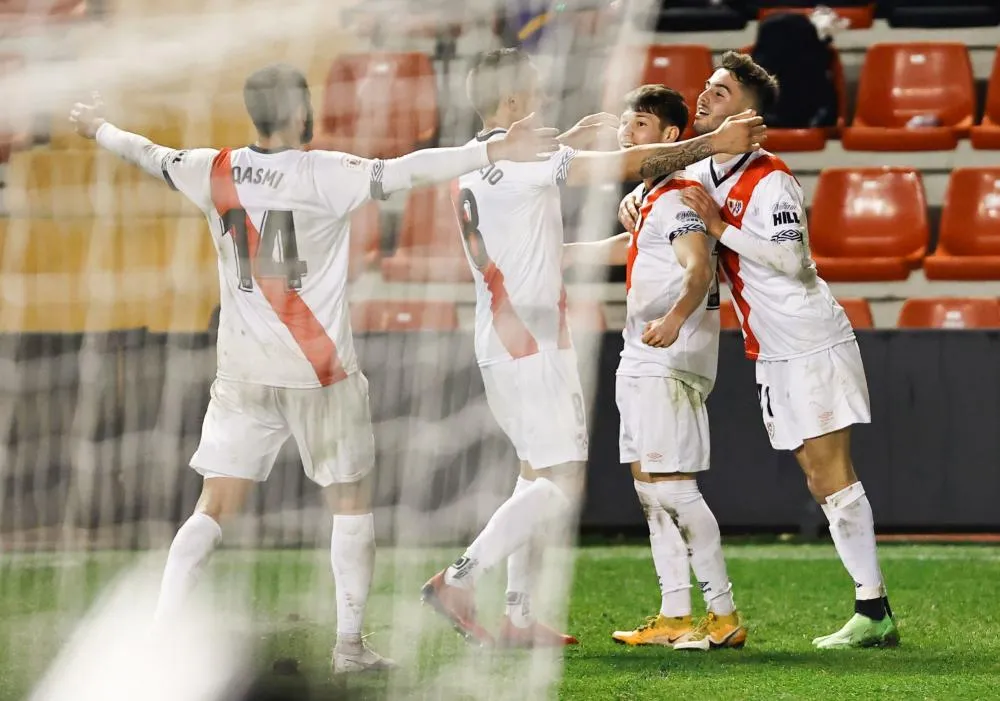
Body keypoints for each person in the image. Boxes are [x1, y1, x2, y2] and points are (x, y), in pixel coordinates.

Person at [68, 63, 563, 674]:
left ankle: (160, 631)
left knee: (212, 506)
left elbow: (147, 152)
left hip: (242, 372)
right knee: (351, 505)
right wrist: (486, 147)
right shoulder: (326, 172)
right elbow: (409, 171)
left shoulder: (209, 168)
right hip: (321, 372)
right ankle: (349, 648)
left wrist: (97, 127)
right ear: (301, 111)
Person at [420, 48, 767, 647]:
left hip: (497, 335)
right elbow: (631, 160)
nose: (541, 100)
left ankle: (519, 616)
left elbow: (537, 154)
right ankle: (458, 578)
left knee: (534, 475)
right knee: (561, 482)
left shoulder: (473, 162)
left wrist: (571, 135)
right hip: (533, 339)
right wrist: (716, 143)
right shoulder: (532, 160)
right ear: (511, 102)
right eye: (532, 92)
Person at [619, 52, 899, 649]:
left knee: (833, 477)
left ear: (747, 112)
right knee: (816, 479)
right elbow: (655, 174)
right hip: (771, 348)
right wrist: (638, 205)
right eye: (706, 90)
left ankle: (873, 609)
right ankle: (872, 607)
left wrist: (721, 228)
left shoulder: (771, 177)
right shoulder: (702, 176)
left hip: (809, 339)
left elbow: (795, 261)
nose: (703, 99)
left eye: (719, 94)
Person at [564, 84, 743, 651]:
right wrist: (571, 253)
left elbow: (697, 269)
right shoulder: (654, 197)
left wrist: (671, 320)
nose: (626, 134)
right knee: (649, 489)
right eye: (625, 124)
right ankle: (672, 614)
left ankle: (723, 613)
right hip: (640, 356)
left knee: (674, 487)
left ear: (670, 137)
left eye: (639, 125)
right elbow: (642, 247)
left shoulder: (678, 195)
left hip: (666, 357)